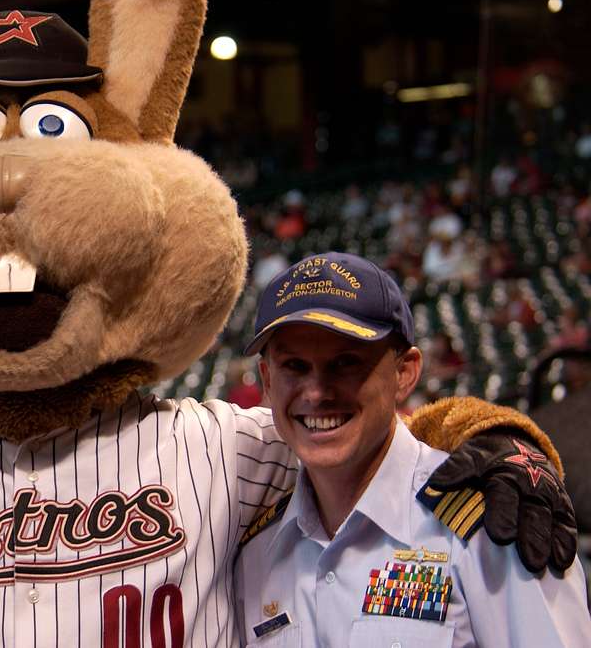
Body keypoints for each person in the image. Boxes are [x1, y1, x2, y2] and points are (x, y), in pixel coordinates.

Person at [235, 252, 590, 646]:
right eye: (295, 367)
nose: (316, 393)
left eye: (346, 363)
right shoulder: (256, 552)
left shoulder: (496, 521)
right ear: (266, 380)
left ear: (405, 373)